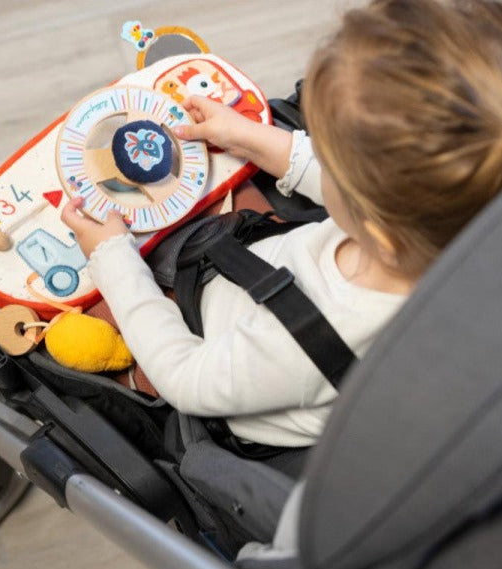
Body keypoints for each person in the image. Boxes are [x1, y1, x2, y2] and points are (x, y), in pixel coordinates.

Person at [61, 0, 502, 448]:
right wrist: (249, 136)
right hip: (260, 273)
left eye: (328, 156)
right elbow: (341, 182)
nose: (318, 158)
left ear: (380, 232)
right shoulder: (445, 231)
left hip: (209, 347)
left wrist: (113, 259)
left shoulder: (321, 339)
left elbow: (186, 378)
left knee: (78, 321)